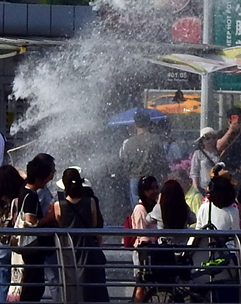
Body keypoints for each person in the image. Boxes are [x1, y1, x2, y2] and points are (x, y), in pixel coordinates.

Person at [58, 168, 109, 302]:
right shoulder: (90, 201)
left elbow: (59, 224)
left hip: (69, 250)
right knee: (94, 287)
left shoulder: (59, 205)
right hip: (88, 249)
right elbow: (94, 224)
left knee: (72, 286)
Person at [14, 154, 57, 303]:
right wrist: (49, 218)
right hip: (32, 248)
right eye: (48, 176)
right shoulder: (31, 196)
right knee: (33, 285)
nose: (50, 179)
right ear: (38, 179)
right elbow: (31, 222)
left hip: (30, 249)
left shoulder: (24, 191)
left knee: (33, 283)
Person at [0, 164, 24, 303]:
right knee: (17, 286)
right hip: (16, 245)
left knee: (0, 285)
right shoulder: (20, 198)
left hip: (0, 245)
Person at [120, 109, 169, 200]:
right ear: (149, 123)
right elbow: (162, 161)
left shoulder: (129, 143)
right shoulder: (156, 140)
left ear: (135, 125)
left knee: (137, 209)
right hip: (152, 179)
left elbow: (125, 163)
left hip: (135, 179)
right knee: (153, 208)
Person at [190, 126, 221, 198]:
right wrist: (196, 189)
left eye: (213, 138)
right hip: (203, 188)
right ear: (202, 141)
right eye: (207, 138)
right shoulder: (198, 154)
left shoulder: (219, 153)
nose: (211, 141)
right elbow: (194, 172)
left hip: (218, 187)